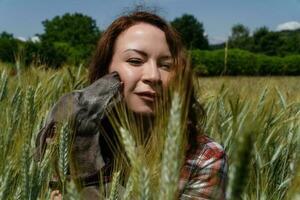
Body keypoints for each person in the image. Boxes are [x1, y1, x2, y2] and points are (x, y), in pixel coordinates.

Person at [47, 10, 227, 200]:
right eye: (135, 61)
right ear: (106, 71)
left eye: (165, 65)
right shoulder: (73, 139)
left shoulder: (204, 157)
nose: (153, 76)